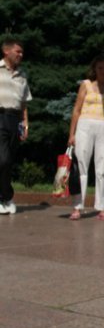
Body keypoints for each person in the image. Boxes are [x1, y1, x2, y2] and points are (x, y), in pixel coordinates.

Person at [67, 55, 104, 221]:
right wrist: (72, 134)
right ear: (95, 69)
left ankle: (102, 208)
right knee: (81, 166)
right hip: (84, 125)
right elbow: (76, 110)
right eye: (100, 68)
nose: (103, 71)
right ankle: (77, 207)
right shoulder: (86, 85)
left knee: (103, 168)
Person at [0, 37, 32, 215]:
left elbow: (24, 104)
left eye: (22, 52)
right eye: (17, 51)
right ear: (6, 51)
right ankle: (4, 196)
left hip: (15, 120)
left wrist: (25, 124)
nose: (21, 54)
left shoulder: (22, 75)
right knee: (2, 159)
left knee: (9, 161)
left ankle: (6, 197)